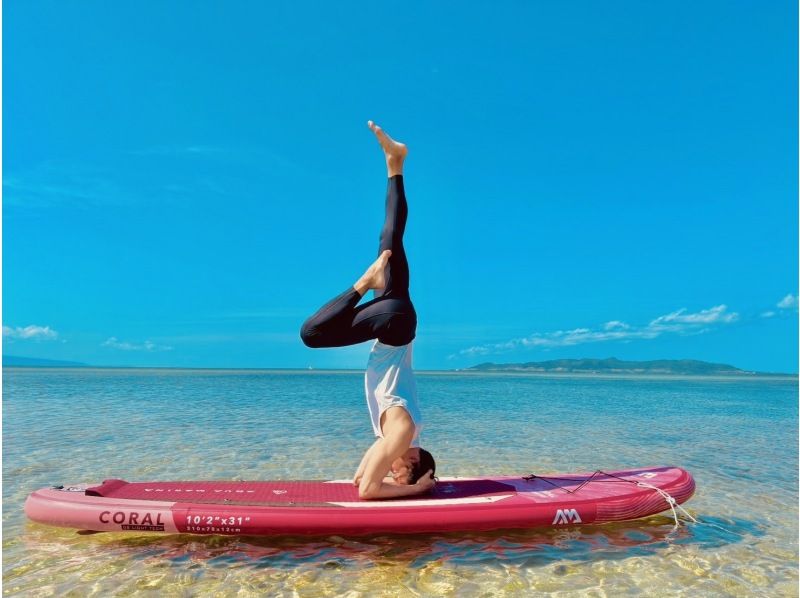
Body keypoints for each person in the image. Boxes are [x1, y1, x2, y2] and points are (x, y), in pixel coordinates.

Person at [300, 121, 436, 500]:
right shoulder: (400, 435)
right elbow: (369, 492)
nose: (394, 474)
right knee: (312, 335)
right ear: (410, 465)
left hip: (399, 320)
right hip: (392, 323)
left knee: (390, 238)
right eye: (401, 475)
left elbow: (360, 478)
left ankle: (396, 165)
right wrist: (415, 492)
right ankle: (364, 282)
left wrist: (386, 479)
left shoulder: (398, 434)